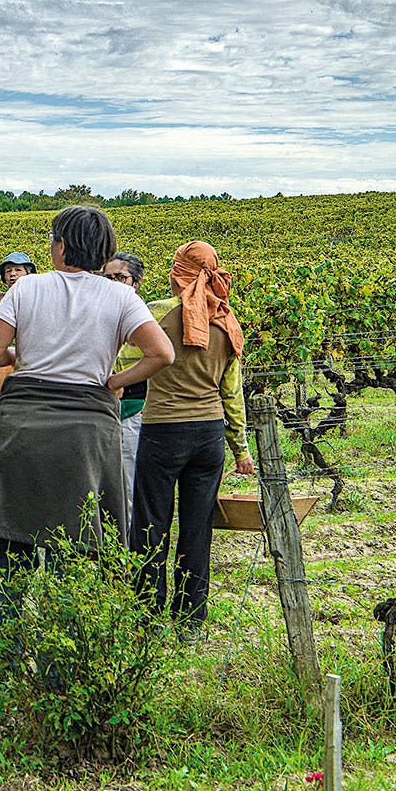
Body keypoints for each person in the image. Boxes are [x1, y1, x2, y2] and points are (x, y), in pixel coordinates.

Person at [0, 207, 174, 630]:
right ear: (103, 250)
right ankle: (60, 672)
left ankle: (8, 664)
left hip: (23, 427)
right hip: (85, 433)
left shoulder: (28, 289)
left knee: (14, 549)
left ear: (60, 246)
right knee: (70, 551)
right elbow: (161, 354)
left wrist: (23, 354)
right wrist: (115, 380)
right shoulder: (122, 297)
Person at [130, 241, 255, 640]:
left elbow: (120, 360)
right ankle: (190, 621)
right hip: (209, 435)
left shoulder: (155, 314)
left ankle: (146, 617)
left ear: (178, 272)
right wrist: (241, 448)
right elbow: (231, 392)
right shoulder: (226, 320)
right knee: (198, 527)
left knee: (151, 523)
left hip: (162, 430)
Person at [104, 253, 148, 529]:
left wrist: (115, 381)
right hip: (97, 411)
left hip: (131, 409)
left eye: (119, 277)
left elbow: (157, 359)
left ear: (136, 283)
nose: (112, 283)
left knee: (127, 482)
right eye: (107, 278)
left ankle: (125, 548)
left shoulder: (144, 317)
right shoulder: (96, 312)